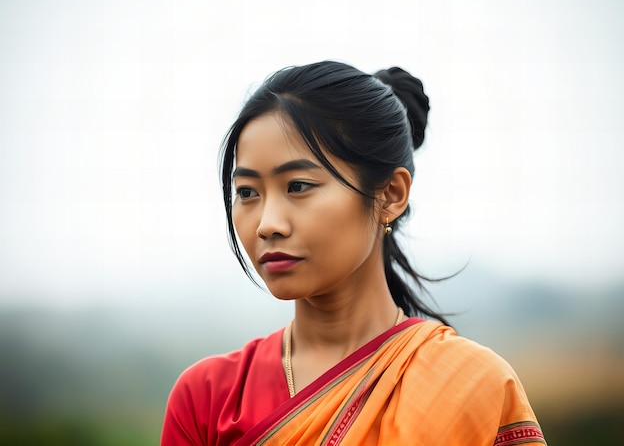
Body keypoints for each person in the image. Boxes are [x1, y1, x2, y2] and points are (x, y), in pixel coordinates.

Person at [160, 61, 546, 445]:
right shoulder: (208, 398)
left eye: (297, 185)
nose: (267, 224)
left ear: (390, 195)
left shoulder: (473, 386)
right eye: (247, 192)